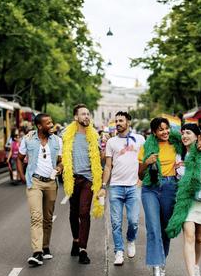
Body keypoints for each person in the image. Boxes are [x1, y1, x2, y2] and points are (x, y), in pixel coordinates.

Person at [166, 124, 201, 276]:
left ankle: (195, 266)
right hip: (186, 201)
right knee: (189, 235)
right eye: (183, 133)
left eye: (188, 133)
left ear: (197, 136)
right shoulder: (178, 154)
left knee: (200, 238)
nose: (185, 135)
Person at [138, 117, 182, 276]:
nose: (165, 132)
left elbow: (194, 150)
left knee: (165, 230)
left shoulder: (176, 144)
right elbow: (140, 176)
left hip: (170, 187)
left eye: (167, 129)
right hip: (150, 189)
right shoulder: (147, 147)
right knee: (153, 229)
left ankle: (162, 260)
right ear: (154, 132)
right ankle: (156, 270)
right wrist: (146, 164)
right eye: (161, 129)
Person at [98, 111, 145, 266]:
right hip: (116, 187)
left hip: (133, 186)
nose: (118, 123)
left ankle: (131, 239)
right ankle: (119, 251)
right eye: (116, 121)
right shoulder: (112, 142)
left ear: (128, 122)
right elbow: (108, 166)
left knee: (133, 221)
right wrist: (104, 186)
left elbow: (144, 161)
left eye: (121, 120)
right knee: (116, 222)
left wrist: (142, 179)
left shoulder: (140, 139)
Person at [17, 113, 62, 266]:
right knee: (36, 216)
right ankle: (37, 252)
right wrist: (22, 176)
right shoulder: (28, 139)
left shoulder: (57, 140)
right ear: (39, 126)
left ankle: (45, 246)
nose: (51, 125)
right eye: (48, 123)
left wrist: (59, 168)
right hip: (34, 182)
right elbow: (19, 157)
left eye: (52, 122)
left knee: (48, 218)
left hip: (51, 183)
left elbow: (61, 161)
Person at [61, 104, 104, 265]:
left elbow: (100, 157)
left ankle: (83, 249)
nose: (86, 116)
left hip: (88, 179)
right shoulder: (66, 135)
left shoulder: (94, 136)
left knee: (84, 212)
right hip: (72, 178)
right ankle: (75, 239)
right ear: (76, 117)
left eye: (88, 114)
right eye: (83, 114)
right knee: (73, 212)